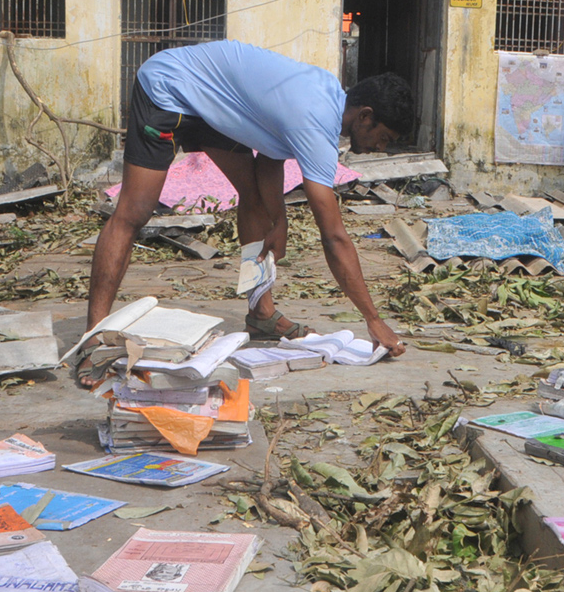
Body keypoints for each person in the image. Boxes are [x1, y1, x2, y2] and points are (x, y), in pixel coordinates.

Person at [77, 40, 413, 386]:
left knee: (254, 199)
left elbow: (271, 155)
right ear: (365, 115)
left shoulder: (327, 95)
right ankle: (93, 337)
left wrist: (279, 220)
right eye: (384, 138)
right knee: (134, 212)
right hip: (168, 86)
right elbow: (333, 236)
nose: (380, 148)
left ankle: (261, 314)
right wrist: (373, 319)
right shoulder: (315, 122)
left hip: (210, 103)